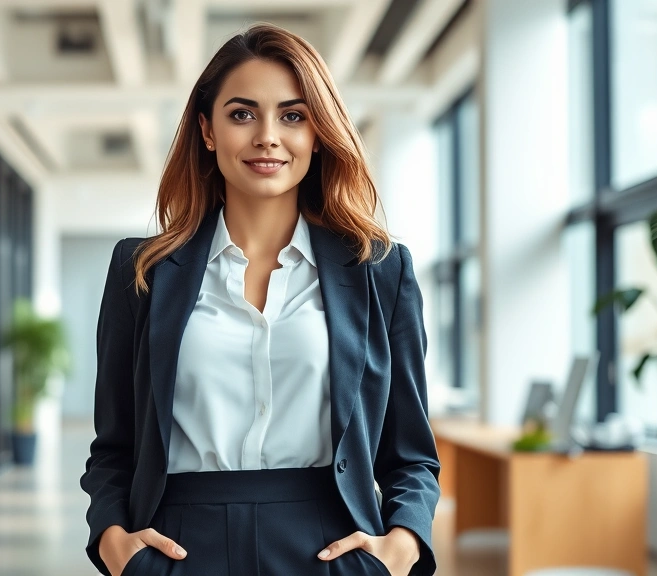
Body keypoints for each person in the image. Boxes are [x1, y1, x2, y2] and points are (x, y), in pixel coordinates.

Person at [81, 23, 441, 576]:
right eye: (242, 114)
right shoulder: (142, 271)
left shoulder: (380, 271)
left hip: (332, 548)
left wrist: (400, 548)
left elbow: (411, 453)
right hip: (178, 549)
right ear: (207, 130)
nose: (267, 136)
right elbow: (114, 445)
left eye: (293, 116)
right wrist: (114, 543)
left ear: (318, 134)